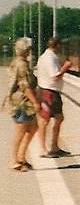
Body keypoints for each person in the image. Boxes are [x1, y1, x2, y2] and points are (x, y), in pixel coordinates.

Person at [36, 36, 74, 158]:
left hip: (52, 92)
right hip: (48, 92)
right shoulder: (49, 58)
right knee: (44, 120)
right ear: (57, 45)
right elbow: (55, 76)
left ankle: (54, 146)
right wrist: (66, 67)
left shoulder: (48, 57)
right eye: (60, 46)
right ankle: (43, 149)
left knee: (59, 118)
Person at [8, 38, 40, 172]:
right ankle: (14, 160)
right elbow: (24, 86)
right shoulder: (22, 65)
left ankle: (21, 156)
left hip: (23, 102)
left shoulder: (20, 62)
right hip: (22, 102)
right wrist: (35, 102)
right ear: (26, 50)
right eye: (29, 49)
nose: (30, 52)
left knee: (33, 127)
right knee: (20, 131)